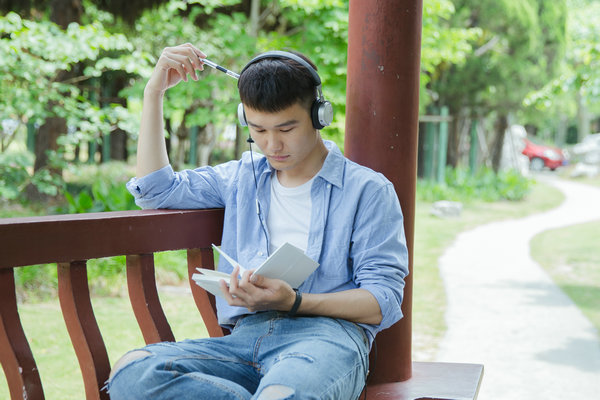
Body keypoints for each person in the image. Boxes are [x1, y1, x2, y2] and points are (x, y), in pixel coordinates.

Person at [107, 43, 409, 400]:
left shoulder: (368, 191)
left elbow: (383, 300)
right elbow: (155, 191)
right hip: (244, 340)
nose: (271, 145)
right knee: (134, 372)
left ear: (319, 115)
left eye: (286, 128)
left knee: (286, 394)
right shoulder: (241, 177)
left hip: (328, 340)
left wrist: (294, 301)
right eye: (258, 130)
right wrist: (153, 92)